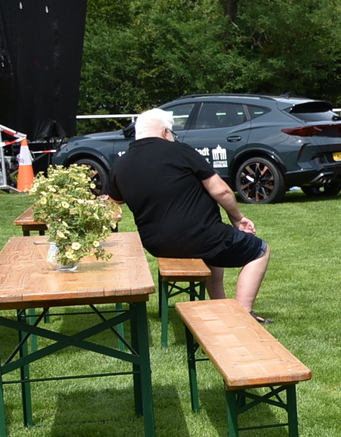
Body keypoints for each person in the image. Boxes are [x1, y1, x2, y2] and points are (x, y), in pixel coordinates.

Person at [107, 108, 272, 318]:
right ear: (165, 132)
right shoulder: (181, 152)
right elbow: (221, 190)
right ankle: (244, 313)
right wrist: (238, 219)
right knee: (260, 250)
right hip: (199, 236)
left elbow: (112, 204)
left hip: (157, 244)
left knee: (215, 243)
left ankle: (220, 304)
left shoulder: (121, 165)